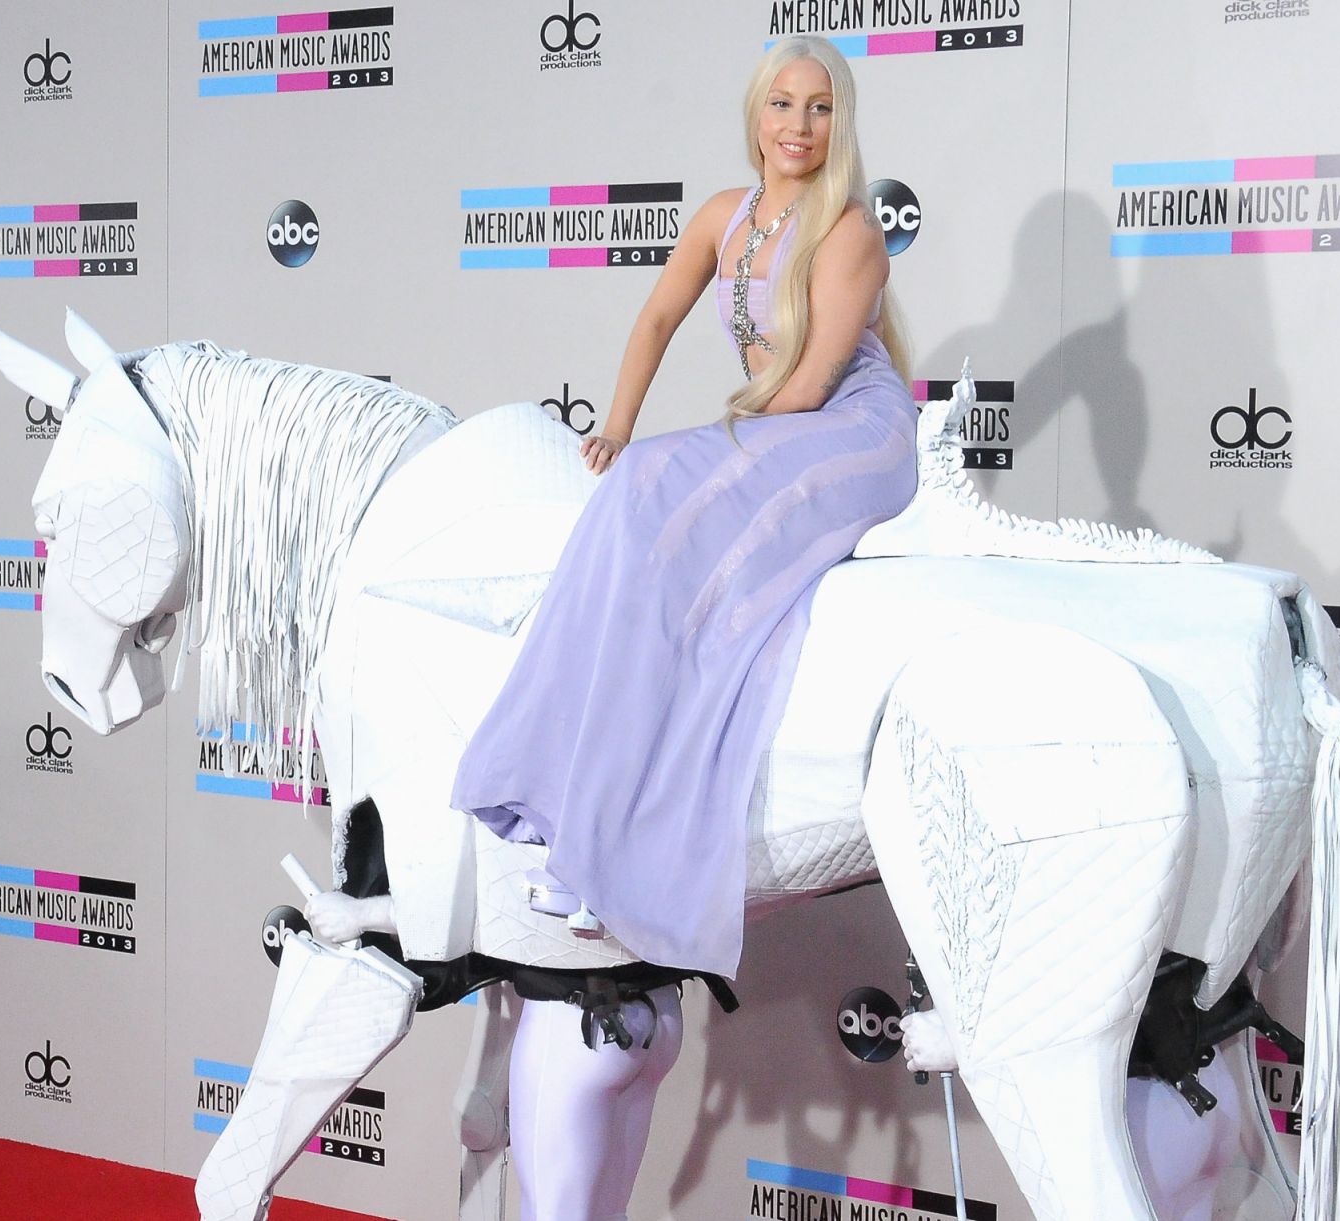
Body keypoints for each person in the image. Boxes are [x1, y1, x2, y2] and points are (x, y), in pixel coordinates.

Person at [445, 35, 920, 1219]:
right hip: (767, 428)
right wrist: (613, 424)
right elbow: (657, 317)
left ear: (837, 120)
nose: (799, 125)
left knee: (666, 498)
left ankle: (630, 839)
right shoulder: (723, 214)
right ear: (754, 116)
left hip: (850, 438)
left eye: (819, 108)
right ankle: (565, 799)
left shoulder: (849, 229)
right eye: (781, 105)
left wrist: (702, 439)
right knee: (628, 493)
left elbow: (808, 389)